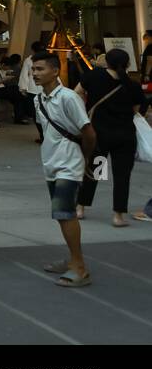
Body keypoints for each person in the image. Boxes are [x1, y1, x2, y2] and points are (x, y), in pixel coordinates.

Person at [31, 52, 97, 287]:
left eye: (40, 69)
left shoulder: (69, 97)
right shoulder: (38, 100)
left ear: (55, 71)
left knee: (64, 213)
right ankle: (72, 259)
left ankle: (79, 266)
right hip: (51, 162)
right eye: (34, 69)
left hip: (70, 164)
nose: (35, 73)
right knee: (62, 215)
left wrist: (85, 159)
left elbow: (88, 132)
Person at [75, 47, 144, 227]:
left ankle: (80, 208)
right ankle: (118, 216)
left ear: (106, 61)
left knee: (95, 172)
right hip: (125, 137)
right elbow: (136, 111)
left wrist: (86, 109)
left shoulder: (93, 76)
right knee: (122, 176)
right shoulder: (133, 85)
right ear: (128, 64)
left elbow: (77, 92)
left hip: (100, 135)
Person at [20, 41, 45, 141]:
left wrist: (23, 88)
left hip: (32, 88)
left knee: (36, 114)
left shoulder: (29, 60)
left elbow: (24, 75)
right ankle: (48, 136)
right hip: (46, 88)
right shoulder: (48, 59)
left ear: (33, 50)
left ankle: (42, 135)